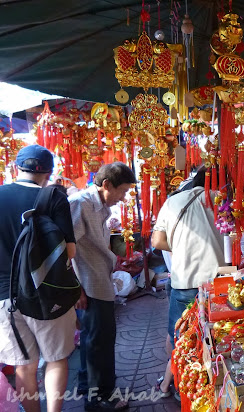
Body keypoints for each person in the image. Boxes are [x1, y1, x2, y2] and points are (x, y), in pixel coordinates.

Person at [0, 145, 77, 412]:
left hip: (4, 297)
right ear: (48, 171)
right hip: (46, 292)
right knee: (55, 359)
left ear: (16, 167)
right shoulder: (53, 197)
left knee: (24, 365)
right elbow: (70, 250)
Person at [69, 162, 136, 411]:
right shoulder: (80, 204)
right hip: (89, 285)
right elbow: (65, 250)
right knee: (99, 342)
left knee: (94, 340)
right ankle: (99, 400)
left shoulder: (98, 206)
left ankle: (91, 388)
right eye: (122, 191)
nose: (123, 198)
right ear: (106, 185)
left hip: (98, 281)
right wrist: (76, 288)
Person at [152, 166, 224, 397]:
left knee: (178, 335)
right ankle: (200, 386)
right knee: (214, 336)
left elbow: (157, 241)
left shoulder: (172, 201)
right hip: (217, 281)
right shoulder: (222, 200)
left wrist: (182, 248)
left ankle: (176, 384)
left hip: (184, 279)